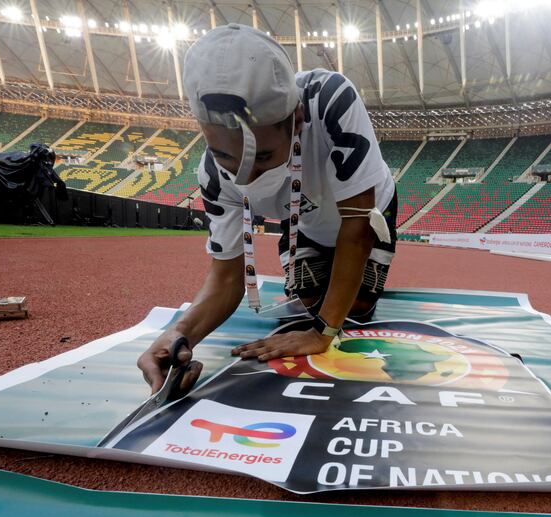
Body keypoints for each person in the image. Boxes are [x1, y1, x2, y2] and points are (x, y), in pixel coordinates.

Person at [137, 24, 397, 394]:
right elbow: (227, 277)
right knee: (308, 304)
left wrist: (323, 332)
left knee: (352, 311)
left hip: (368, 214)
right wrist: (180, 332)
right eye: (225, 156)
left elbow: (356, 229)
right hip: (304, 218)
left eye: (262, 156)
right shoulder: (211, 175)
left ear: (298, 117)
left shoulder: (331, 100)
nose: (246, 175)